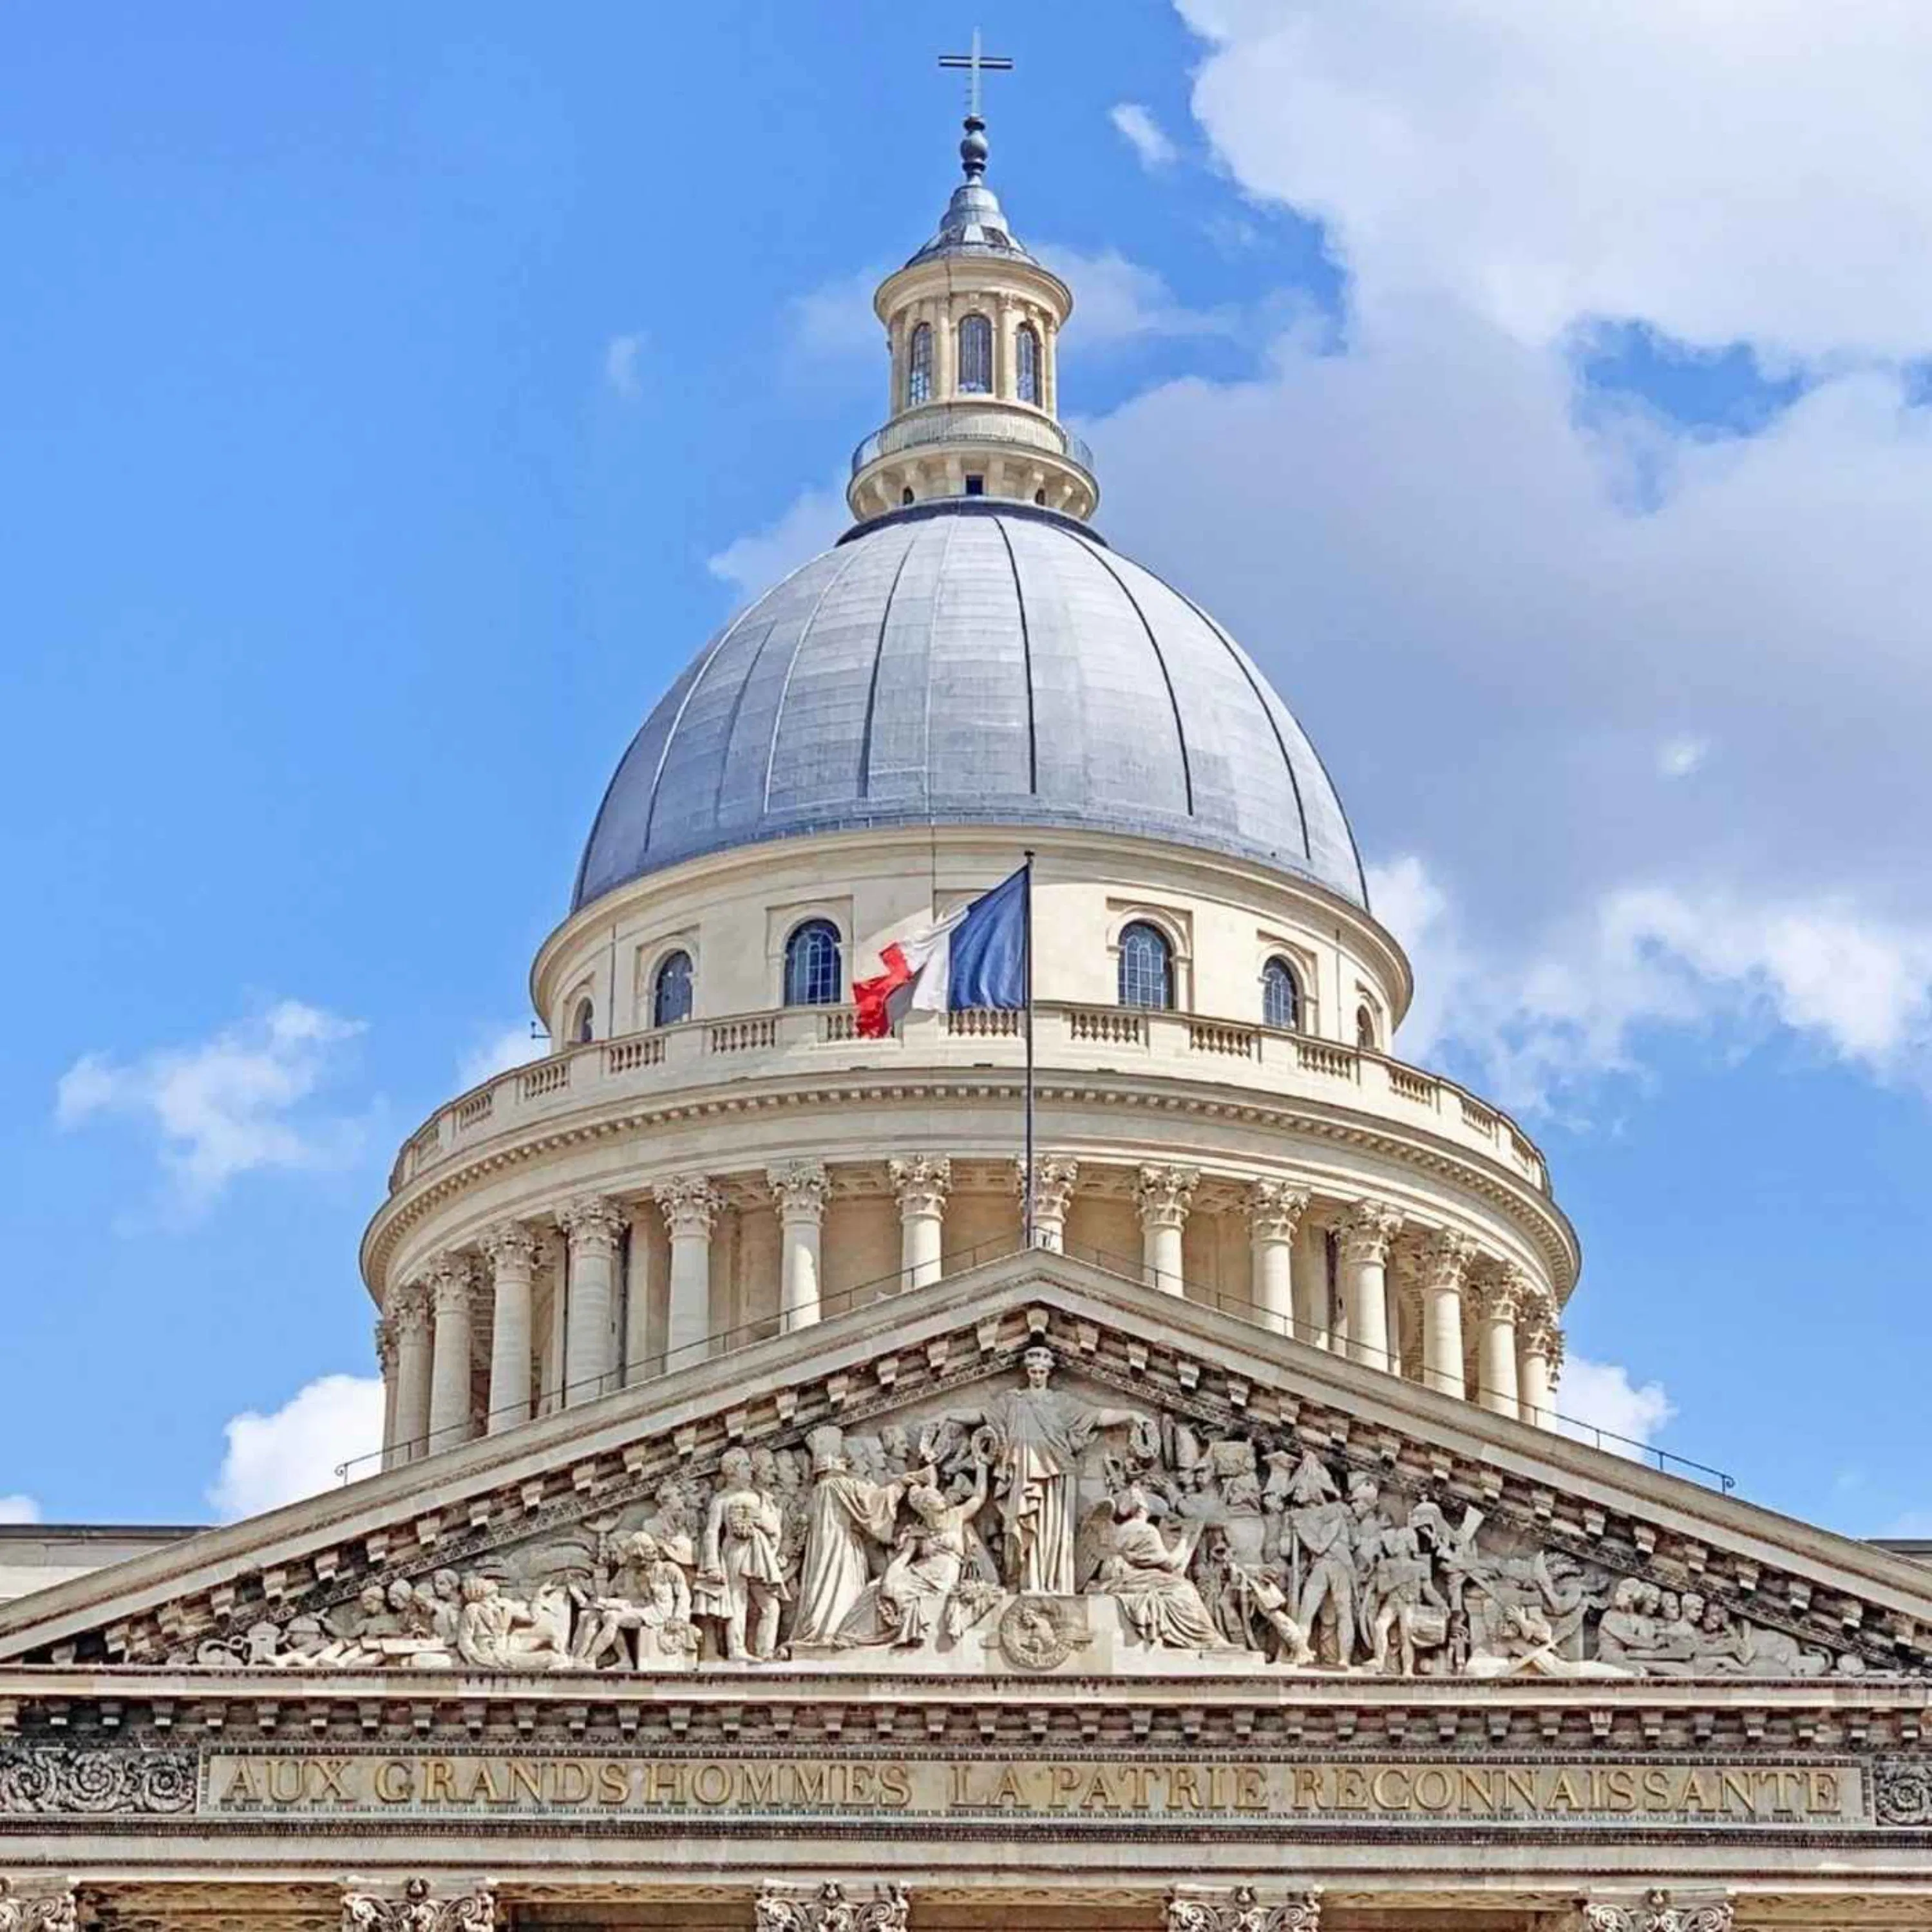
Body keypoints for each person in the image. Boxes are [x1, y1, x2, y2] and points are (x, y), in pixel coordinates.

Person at [945, 1348, 1150, 1595]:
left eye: (1041, 1371)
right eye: (1033, 1371)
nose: (1037, 1375)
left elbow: (1097, 1416)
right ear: (1027, 1372)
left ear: (1049, 1372)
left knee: (1053, 1531)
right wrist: (949, 1414)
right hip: (1022, 1473)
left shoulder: (1062, 1402)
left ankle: (1052, 1582)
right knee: (1019, 1529)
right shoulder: (1012, 1401)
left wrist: (1131, 1414)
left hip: (1057, 1474)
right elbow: (981, 1414)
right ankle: (1026, 1581)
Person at [791, 1426, 908, 1645]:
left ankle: (820, 1625)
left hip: (823, 1552)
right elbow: (873, 1504)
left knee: (822, 1583)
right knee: (841, 1586)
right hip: (843, 1548)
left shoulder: (817, 1491)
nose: (849, 1461)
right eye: (843, 1455)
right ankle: (835, 1628)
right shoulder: (839, 1485)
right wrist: (901, 1484)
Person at [1091, 1485, 1221, 1649]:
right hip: (1133, 1578)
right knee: (1185, 1590)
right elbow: (1170, 1564)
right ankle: (1207, 1638)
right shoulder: (1146, 1530)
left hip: (1122, 1577)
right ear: (1146, 1510)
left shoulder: (1120, 1529)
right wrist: (1185, 1538)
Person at [694, 1446, 791, 1662]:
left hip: (760, 1550)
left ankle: (765, 1651)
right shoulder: (722, 1499)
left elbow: (773, 1527)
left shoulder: (759, 1496)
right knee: (737, 1600)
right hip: (735, 1550)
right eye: (746, 1465)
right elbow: (711, 1532)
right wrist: (712, 1565)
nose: (751, 1469)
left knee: (771, 1605)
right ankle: (736, 1649)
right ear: (732, 1470)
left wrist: (766, 1531)